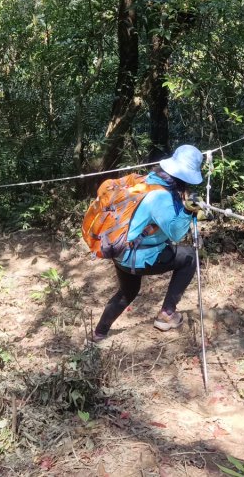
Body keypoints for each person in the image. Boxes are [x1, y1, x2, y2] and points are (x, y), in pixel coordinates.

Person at [91, 145, 205, 342]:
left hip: (120, 252)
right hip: (138, 257)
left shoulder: (148, 181)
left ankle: (99, 333)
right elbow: (176, 233)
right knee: (189, 257)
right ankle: (167, 314)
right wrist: (189, 211)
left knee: (127, 293)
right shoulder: (160, 196)